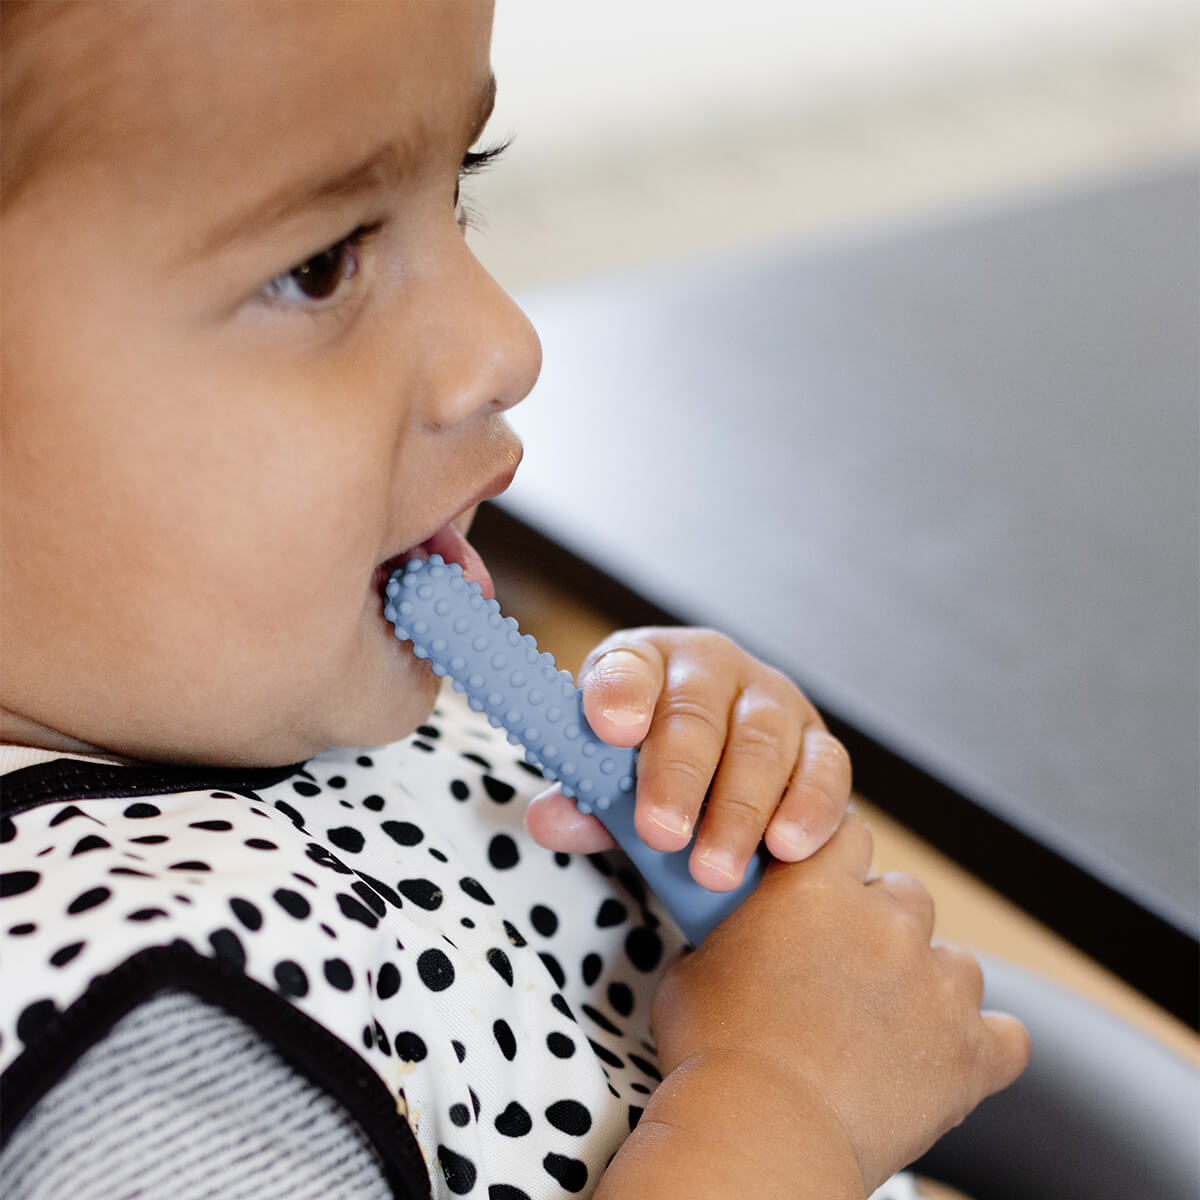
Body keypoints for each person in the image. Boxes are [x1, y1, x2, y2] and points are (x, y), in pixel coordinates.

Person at [0, 3, 1029, 1198]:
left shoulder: (237, 682)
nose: (508, 342)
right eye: (318, 266)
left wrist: (703, 785)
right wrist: (787, 1101)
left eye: (461, 186)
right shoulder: (146, 1071)